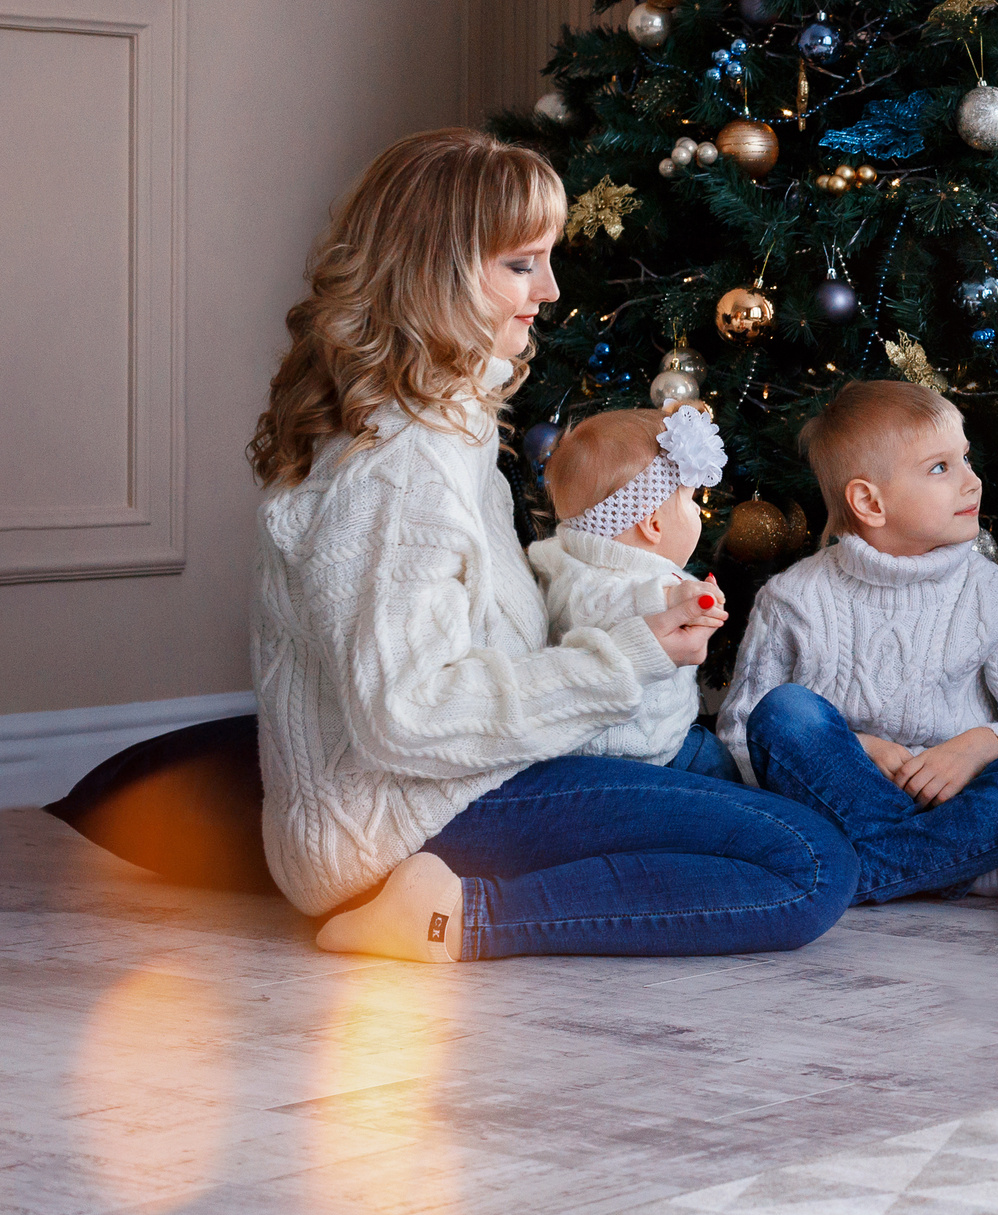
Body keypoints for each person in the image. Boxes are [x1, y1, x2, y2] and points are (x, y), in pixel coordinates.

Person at [250, 128, 917, 966]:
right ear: (438, 273)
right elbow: (405, 715)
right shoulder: (402, 462)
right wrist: (624, 655)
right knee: (811, 863)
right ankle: (454, 918)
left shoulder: (437, 424)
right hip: (411, 817)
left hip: (445, 789)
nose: (551, 288)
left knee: (734, 786)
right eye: (521, 264)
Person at [717, 379, 998, 902]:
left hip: (959, 800)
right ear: (869, 501)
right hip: (841, 798)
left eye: (966, 459)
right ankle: (958, 869)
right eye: (940, 467)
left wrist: (976, 747)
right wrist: (854, 748)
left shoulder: (995, 595)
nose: (973, 482)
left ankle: (850, 872)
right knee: (785, 711)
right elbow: (740, 734)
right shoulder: (793, 597)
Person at [526, 403, 737, 779]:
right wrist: (671, 600)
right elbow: (607, 604)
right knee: (735, 785)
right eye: (689, 501)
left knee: (728, 767)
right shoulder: (590, 585)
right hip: (632, 758)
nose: (696, 511)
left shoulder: (571, 557)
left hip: (670, 733)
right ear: (652, 524)